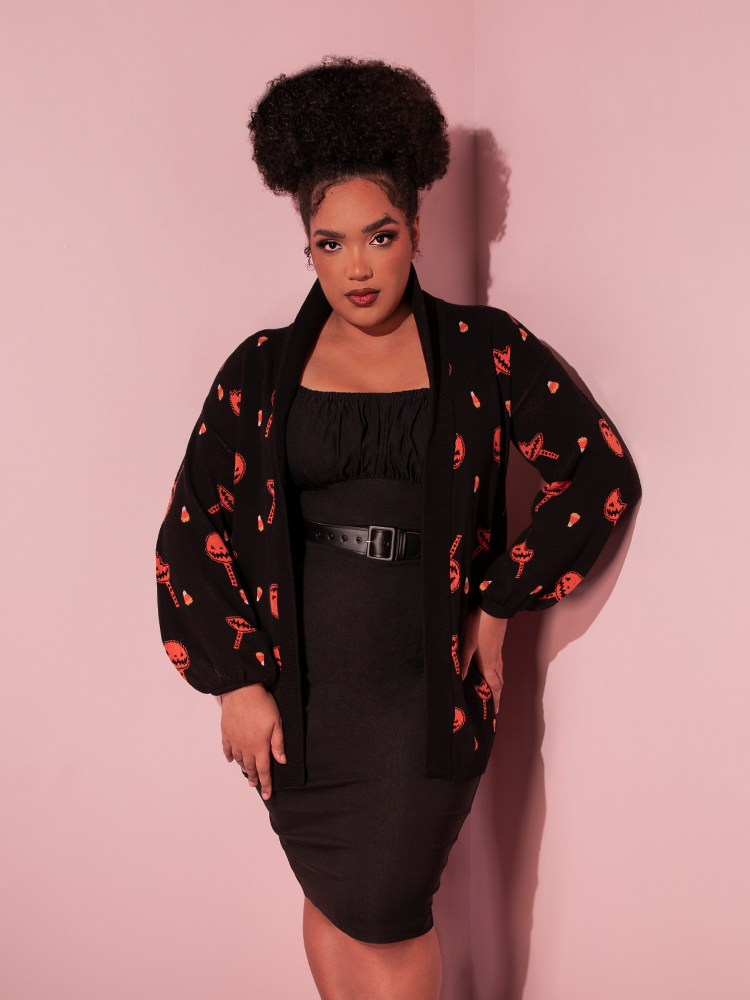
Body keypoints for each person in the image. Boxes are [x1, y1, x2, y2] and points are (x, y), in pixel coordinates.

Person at [156, 57, 641, 1000]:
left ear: (415, 227)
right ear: (306, 247)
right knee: (335, 897)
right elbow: (190, 525)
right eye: (329, 243)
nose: (357, 266)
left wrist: (498, 602)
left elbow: (600, 475)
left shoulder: (486, 351)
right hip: (300, 694)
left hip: (423, 692)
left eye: (379, 236)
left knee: (388, 906)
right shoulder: (260, 369)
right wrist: (236, 680)